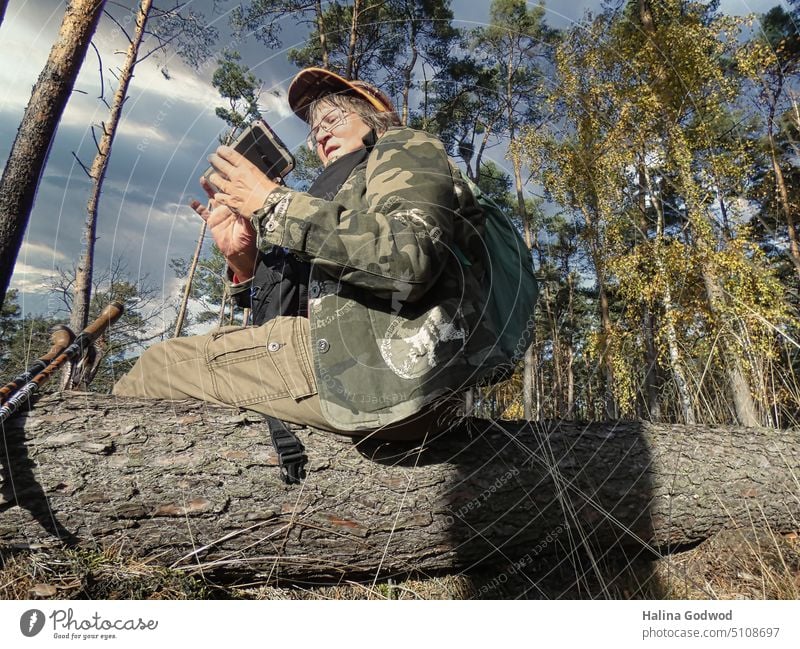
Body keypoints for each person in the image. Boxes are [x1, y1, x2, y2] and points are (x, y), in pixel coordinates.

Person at [113, 67, 506, 440]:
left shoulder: (404, 146)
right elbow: (299, 312)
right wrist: (243, 260)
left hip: (394, 373)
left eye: (333, 120)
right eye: (315, 130)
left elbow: (409, 258)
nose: (320, 135)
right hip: (365, 371)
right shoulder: (346, 189)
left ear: (377, 118)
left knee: (158, 366)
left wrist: (272, 203)